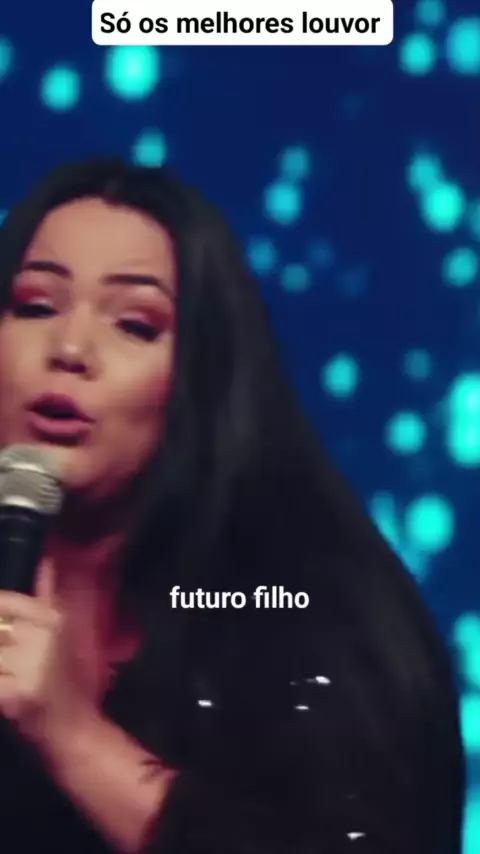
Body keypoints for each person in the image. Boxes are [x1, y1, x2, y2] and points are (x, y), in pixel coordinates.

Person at [0, 157, 464, 854]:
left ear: (202, 375)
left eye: (135, 324)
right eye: (36, 306)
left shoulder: (303, 605)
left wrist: (73, 735)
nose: (69, 349)